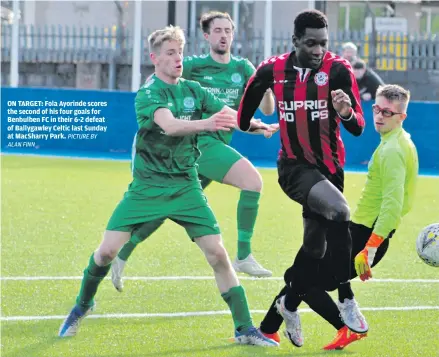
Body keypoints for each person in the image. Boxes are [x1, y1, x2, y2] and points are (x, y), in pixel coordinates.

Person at [58, 25, 278, 347]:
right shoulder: (149, 93)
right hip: (147, 186)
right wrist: (207, 124)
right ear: (155, 58)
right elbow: (170, 126)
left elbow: (228, 113)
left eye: (181, 52)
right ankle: (83, 304)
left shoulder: (193, 90)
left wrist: (257, 126)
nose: (178, 59)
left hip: (186, 185)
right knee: (106, 252)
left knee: (217, 254)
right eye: (171, 53)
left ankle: (244, 328)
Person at [111, 11, 276, 292]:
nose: (224, 35)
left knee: (165, 208)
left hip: (212, 146)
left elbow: (268, 109)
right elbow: (161, 79)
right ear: (207, 36)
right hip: (201, 142)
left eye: (228, 30)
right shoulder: (191, 65)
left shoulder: (244, 68)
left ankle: (120, 256)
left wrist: (265, 85)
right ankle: (243, 256)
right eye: (218, 30)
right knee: (253, 181)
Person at [237, 9, 369, 347]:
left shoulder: (338, 71)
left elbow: (357, 127)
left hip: (330, 171)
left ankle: (288, 303)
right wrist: (258, 96)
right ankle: (346, 296)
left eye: (323, 43)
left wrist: (346, 112)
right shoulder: (272, 70)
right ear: (295, 41)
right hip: (295, 169)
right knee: (340, 212)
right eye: (310, 43)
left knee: (314, 248)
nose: (318, 50)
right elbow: (241, 119)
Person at [257, 84, 419, 350]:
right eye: (377, 108)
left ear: (402, 116)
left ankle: (343, 327)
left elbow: (393, 204)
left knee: (301, 279)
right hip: (359, 230)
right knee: (299, 272)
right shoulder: (399, 141)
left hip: (364, 236)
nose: (379, 116)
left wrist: (371, 246)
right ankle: (269, 329)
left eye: (387, 112)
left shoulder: (392, 151)